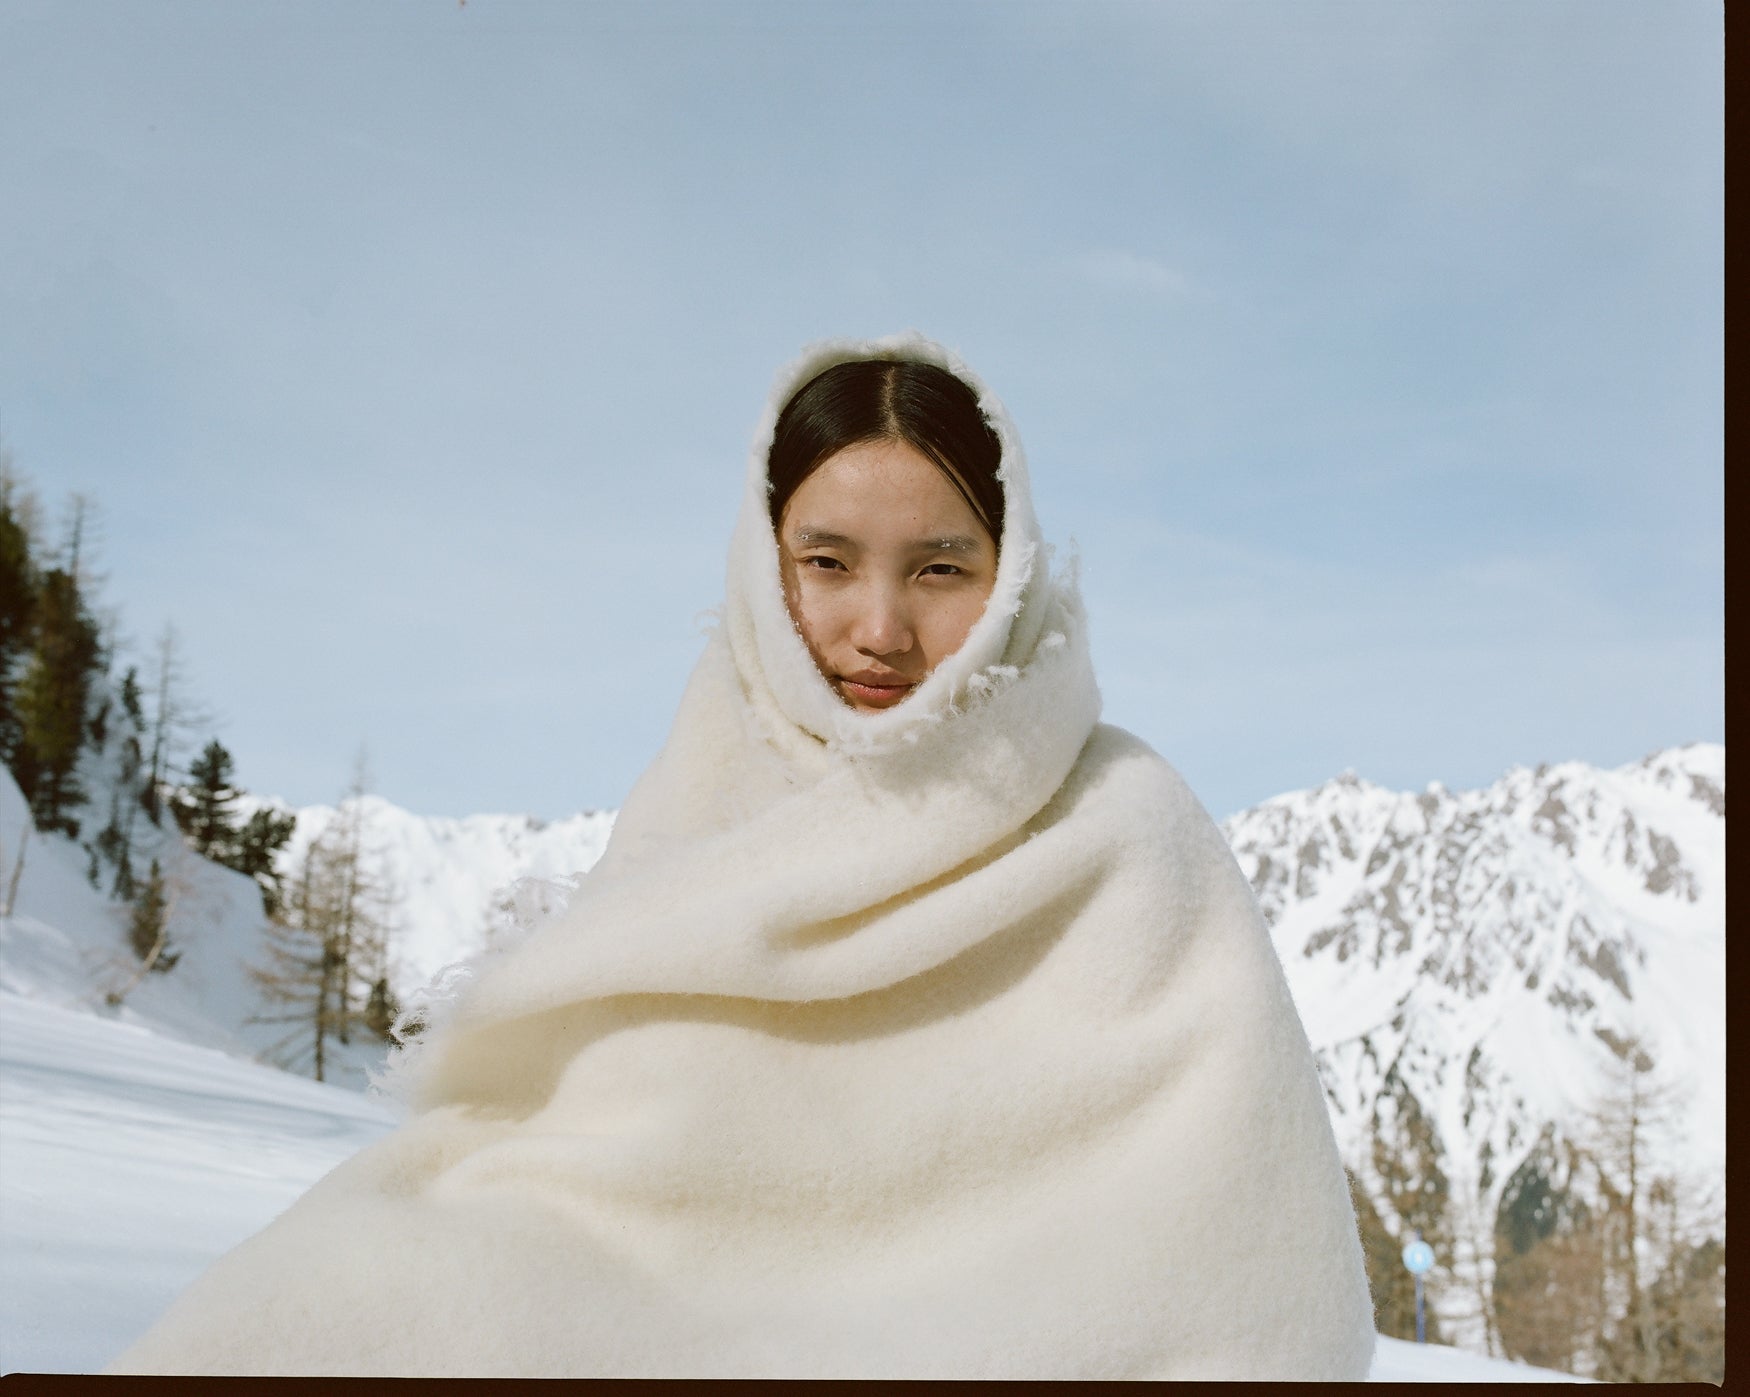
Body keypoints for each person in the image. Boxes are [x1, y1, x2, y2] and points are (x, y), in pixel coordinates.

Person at [109, 332, 1376, 1379]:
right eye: (825, 563)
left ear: (1011, 574)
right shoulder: (702, 778)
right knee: (334, 1287)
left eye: (941, 567)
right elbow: (601, 1143)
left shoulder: (1125, 824)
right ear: (765, 566)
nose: (878, 629)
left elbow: (1250, 1270)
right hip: (633, 1319)